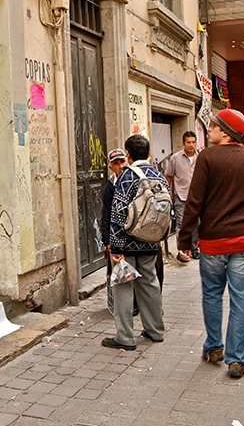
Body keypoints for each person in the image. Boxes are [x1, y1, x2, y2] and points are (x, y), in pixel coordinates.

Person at [177, 109, 244, 378]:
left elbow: (194, 203)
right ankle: (237, 359)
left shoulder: (207, 158)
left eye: (214, 126)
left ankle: (215, 346)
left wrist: (184, 239)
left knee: (212, 294)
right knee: (241, 301)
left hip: (213, 242)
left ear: (225, 131)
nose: (211, 129)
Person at [106, 135, 167, 351]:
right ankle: (155, 330)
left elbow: (118, 211)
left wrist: (116, 246)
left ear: (128, 155)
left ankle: (125, 337)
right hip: (151, 240)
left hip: (128, 242)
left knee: (123, 286)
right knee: (150, 284)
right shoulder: (158, 174)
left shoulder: (127, 176)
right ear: (149, 154)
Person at [165, 131, 199, 261]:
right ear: (183, 143)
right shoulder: (175, 158)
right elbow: (169, 176)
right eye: (188, 142)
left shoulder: (201, 157)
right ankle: (182, 250)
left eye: (193, 142)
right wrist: (167, 192)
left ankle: (194, 248)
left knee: (196, 224)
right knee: (181, 223)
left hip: (197, 197)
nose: (191, 145)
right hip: (181, 196)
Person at [101, 148, 128, 315]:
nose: (120, 166)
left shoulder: (134, 180)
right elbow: (106, 214)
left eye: (122, 162)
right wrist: (107, 241)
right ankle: (119, 306)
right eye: (116, 163)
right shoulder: (110, 185)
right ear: (111, 167)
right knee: (117, 272)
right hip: (116, 234)